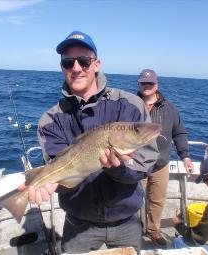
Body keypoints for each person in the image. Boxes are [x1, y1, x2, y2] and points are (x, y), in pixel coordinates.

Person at [26, 31, 159, 254]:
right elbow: (61, 168)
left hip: (127, 221)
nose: (76, 68)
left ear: (96, 64)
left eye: (84, 61)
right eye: (68, 62)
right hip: (79, 225)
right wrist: (49, 181)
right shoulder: (50, 120)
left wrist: (118, 168)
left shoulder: (130, 105)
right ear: (62, 68)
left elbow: (145, 163)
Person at [137, 69, 193, 246]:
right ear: (138, 84)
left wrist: (185, 156)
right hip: (136, 164)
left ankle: (154, 231)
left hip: (161, 164)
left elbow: (179, 133)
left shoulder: (169, 108)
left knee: (157, 200)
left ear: (156, 85)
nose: (147, 86)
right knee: (133, 201)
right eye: (143, 83)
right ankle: (133, 231)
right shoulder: (130, 104)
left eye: (150, 83)